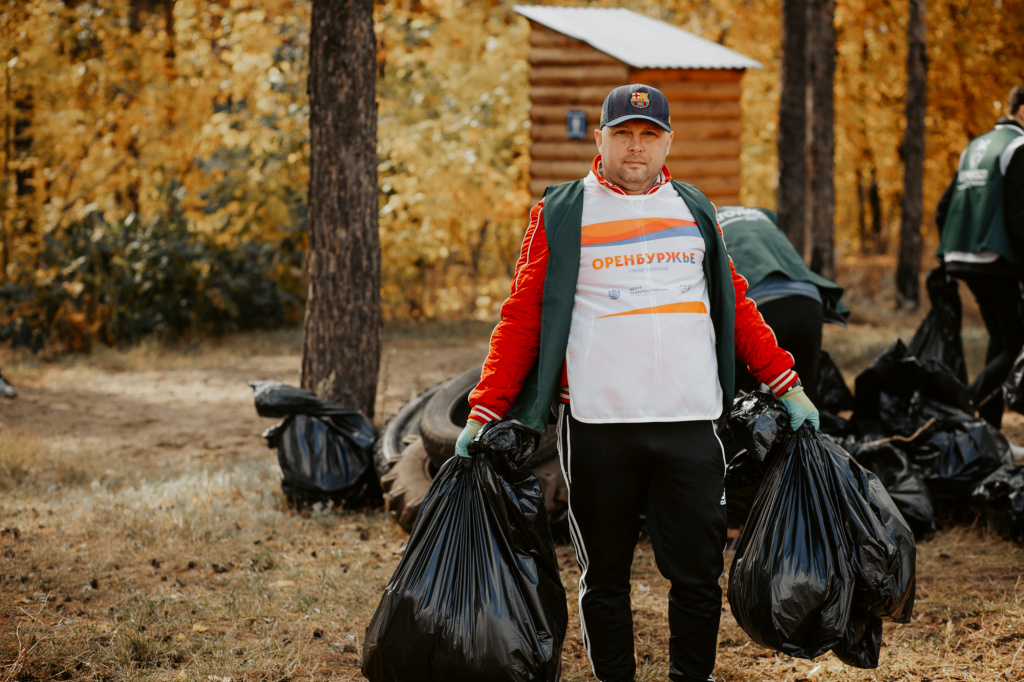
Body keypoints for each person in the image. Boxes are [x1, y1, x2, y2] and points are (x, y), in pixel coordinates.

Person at [455, 84, 818, 682]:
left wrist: (787, 382)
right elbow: (522, 316)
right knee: (604, 576)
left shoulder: (695, 209)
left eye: (649, 135)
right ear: (599, 138)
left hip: (690, 424)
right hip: (600, 425)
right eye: (622, 133)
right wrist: (484, 410)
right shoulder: (562, 211)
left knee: (699, 573)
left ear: (667, 142)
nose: (635, 147)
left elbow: (735, 303)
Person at [935, 83, 1024, 429]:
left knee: (1002, 339)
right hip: (995, 258)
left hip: (964, 255)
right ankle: (960, 407)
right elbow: (1018, 218)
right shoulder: (1018, 146)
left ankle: (987, 425)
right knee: (1016, 343)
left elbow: (944, 207)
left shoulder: (976, 146)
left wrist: (948, 252)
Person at [717, 205, 849, 404]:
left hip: (759, 308)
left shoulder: (701, 218)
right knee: (803, 401)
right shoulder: (761, 215)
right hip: (809, 303)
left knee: (742, 408)